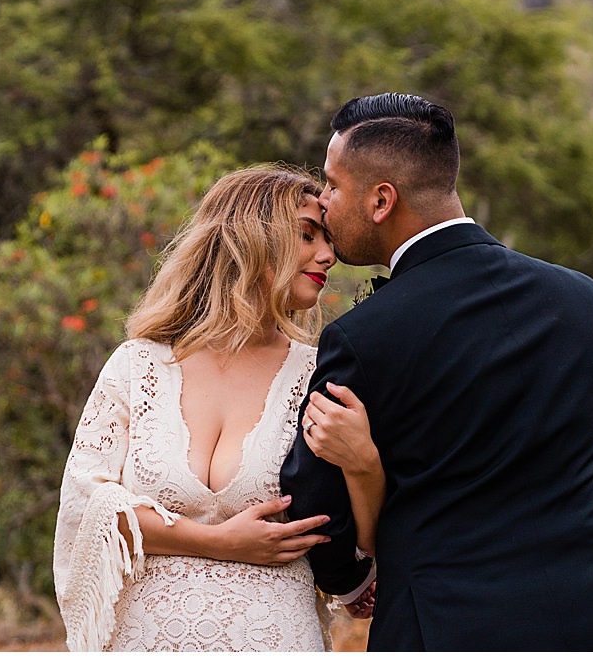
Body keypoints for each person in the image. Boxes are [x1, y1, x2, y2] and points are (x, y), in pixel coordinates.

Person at [280, 93, 593, 650]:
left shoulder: (363, 337)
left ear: (381, 201)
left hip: (443, 627)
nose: (323, 202)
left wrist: (351, 582)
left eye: (333, 185)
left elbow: (315, 500)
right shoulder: (584, 300)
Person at [53, 165, 385, 650]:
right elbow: (88, 511)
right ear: (251, 236)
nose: (328, 255)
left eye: (328, 238)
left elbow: (360, 541)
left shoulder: (319, 375)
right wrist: (219, 542)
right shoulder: (137, 365)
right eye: (307, 235)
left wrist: (366, 465)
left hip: (275, 636)